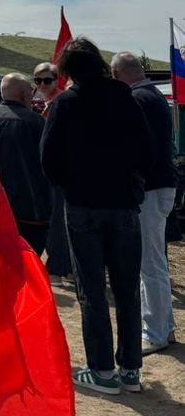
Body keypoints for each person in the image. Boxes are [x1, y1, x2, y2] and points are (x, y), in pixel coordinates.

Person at [41, 37, 153, 396]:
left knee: (91, 289)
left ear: (67, 69)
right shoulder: (126, 99)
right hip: (124, 206)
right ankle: (131, 370)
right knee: (126, 288)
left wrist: (72, 186)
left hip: (83, 207)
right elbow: (147, 153)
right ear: (102, 65)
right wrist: (132, 185)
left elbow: (48, 161)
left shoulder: (66, 104)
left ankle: (103, 370)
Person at [111, 52, 178, 353]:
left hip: (149, 187)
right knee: (155, 261)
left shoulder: (137, 99)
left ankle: (155, 331)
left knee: (149, 263)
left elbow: (135, 147)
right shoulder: (152, 96)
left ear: (116, 75)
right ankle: (165, 326)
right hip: (162, 183)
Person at [0, 74, 52, 255]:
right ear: (24, 95)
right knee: (27, 261)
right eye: (31, 90)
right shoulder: (37, 123)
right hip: (29, 208)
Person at [33, 62, 73, 282]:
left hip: (58, 172)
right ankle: (62, 265)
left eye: (46, 80)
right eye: (37, 80)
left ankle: (58, 268)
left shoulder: (60, 102)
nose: (41, 85)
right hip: (46, 171)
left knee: (57, 220)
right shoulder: (42, 103)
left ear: (56, 79)